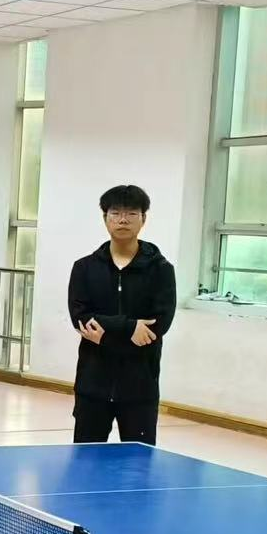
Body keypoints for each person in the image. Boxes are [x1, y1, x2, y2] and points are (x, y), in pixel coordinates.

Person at [68, 185, 176, 445]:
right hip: (92, 385)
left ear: (143, 218)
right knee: (86, 459)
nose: (123, 220)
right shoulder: (84, 268)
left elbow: (158, 325)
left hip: (140, 387)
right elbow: (80, 317)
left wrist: (104, 336)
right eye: (115, 213)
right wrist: (129, 328)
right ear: (105, 218)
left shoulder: (161, 270)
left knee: (139, 461)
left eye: (131, 213)